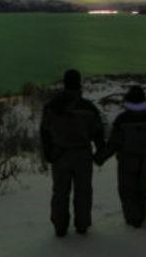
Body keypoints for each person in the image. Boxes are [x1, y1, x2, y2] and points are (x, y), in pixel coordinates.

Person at [40, 69, 105, 237]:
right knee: (83, 192)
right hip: (82, 155)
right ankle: (82, 225)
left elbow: (44, 131)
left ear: (65, 83)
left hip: (60, 155)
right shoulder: (88, 108)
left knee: (60, 192)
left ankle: (60, 227)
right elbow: (98, 132)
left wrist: (48, 153)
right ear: (79, 84)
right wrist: (100, 152)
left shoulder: (53, 106)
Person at [95, 85, 146, 228]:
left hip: (127, 161)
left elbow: (114, 143)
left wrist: (100, 158)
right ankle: (142, 216)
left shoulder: (122, 119)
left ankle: (132, 220)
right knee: (144, 188)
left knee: (127, 190)